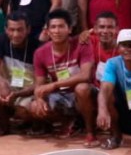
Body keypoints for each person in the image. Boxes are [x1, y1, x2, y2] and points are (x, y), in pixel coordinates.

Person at [30, 10, 97, 146]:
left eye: (61, 26)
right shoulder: (40, 53)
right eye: (53, 27)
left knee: (82, 88)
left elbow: (86, 75)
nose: (57, 31)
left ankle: (91, 132)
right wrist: (39, 98)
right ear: (47, 31)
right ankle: (70, 121)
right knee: (33, 106)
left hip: (85, 94)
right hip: (61, 94)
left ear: (70, 29)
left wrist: (54, 85)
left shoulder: (82, 44)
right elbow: (40, 85)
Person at [0, 12, 36, 137]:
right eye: (12, 30)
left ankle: (36, 123)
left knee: (25, 112)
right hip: (11, 84)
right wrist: (2, 83)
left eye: (20, 30)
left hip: (29, 89)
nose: (15, 34)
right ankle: (4, 124)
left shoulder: (37, 45)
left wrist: (17, 94)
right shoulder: (1, 39)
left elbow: (39, 83)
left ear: (28, 29)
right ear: (6, 30)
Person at [81, 12, 121, 88]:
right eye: (102, 27)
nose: (105, 31)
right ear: (95, 29)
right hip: (94, 88)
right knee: (82, 88)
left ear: (116, 29)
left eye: (110, 27)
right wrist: (82, 35)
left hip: (115, 89)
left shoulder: (123, 48)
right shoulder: (89, 41)